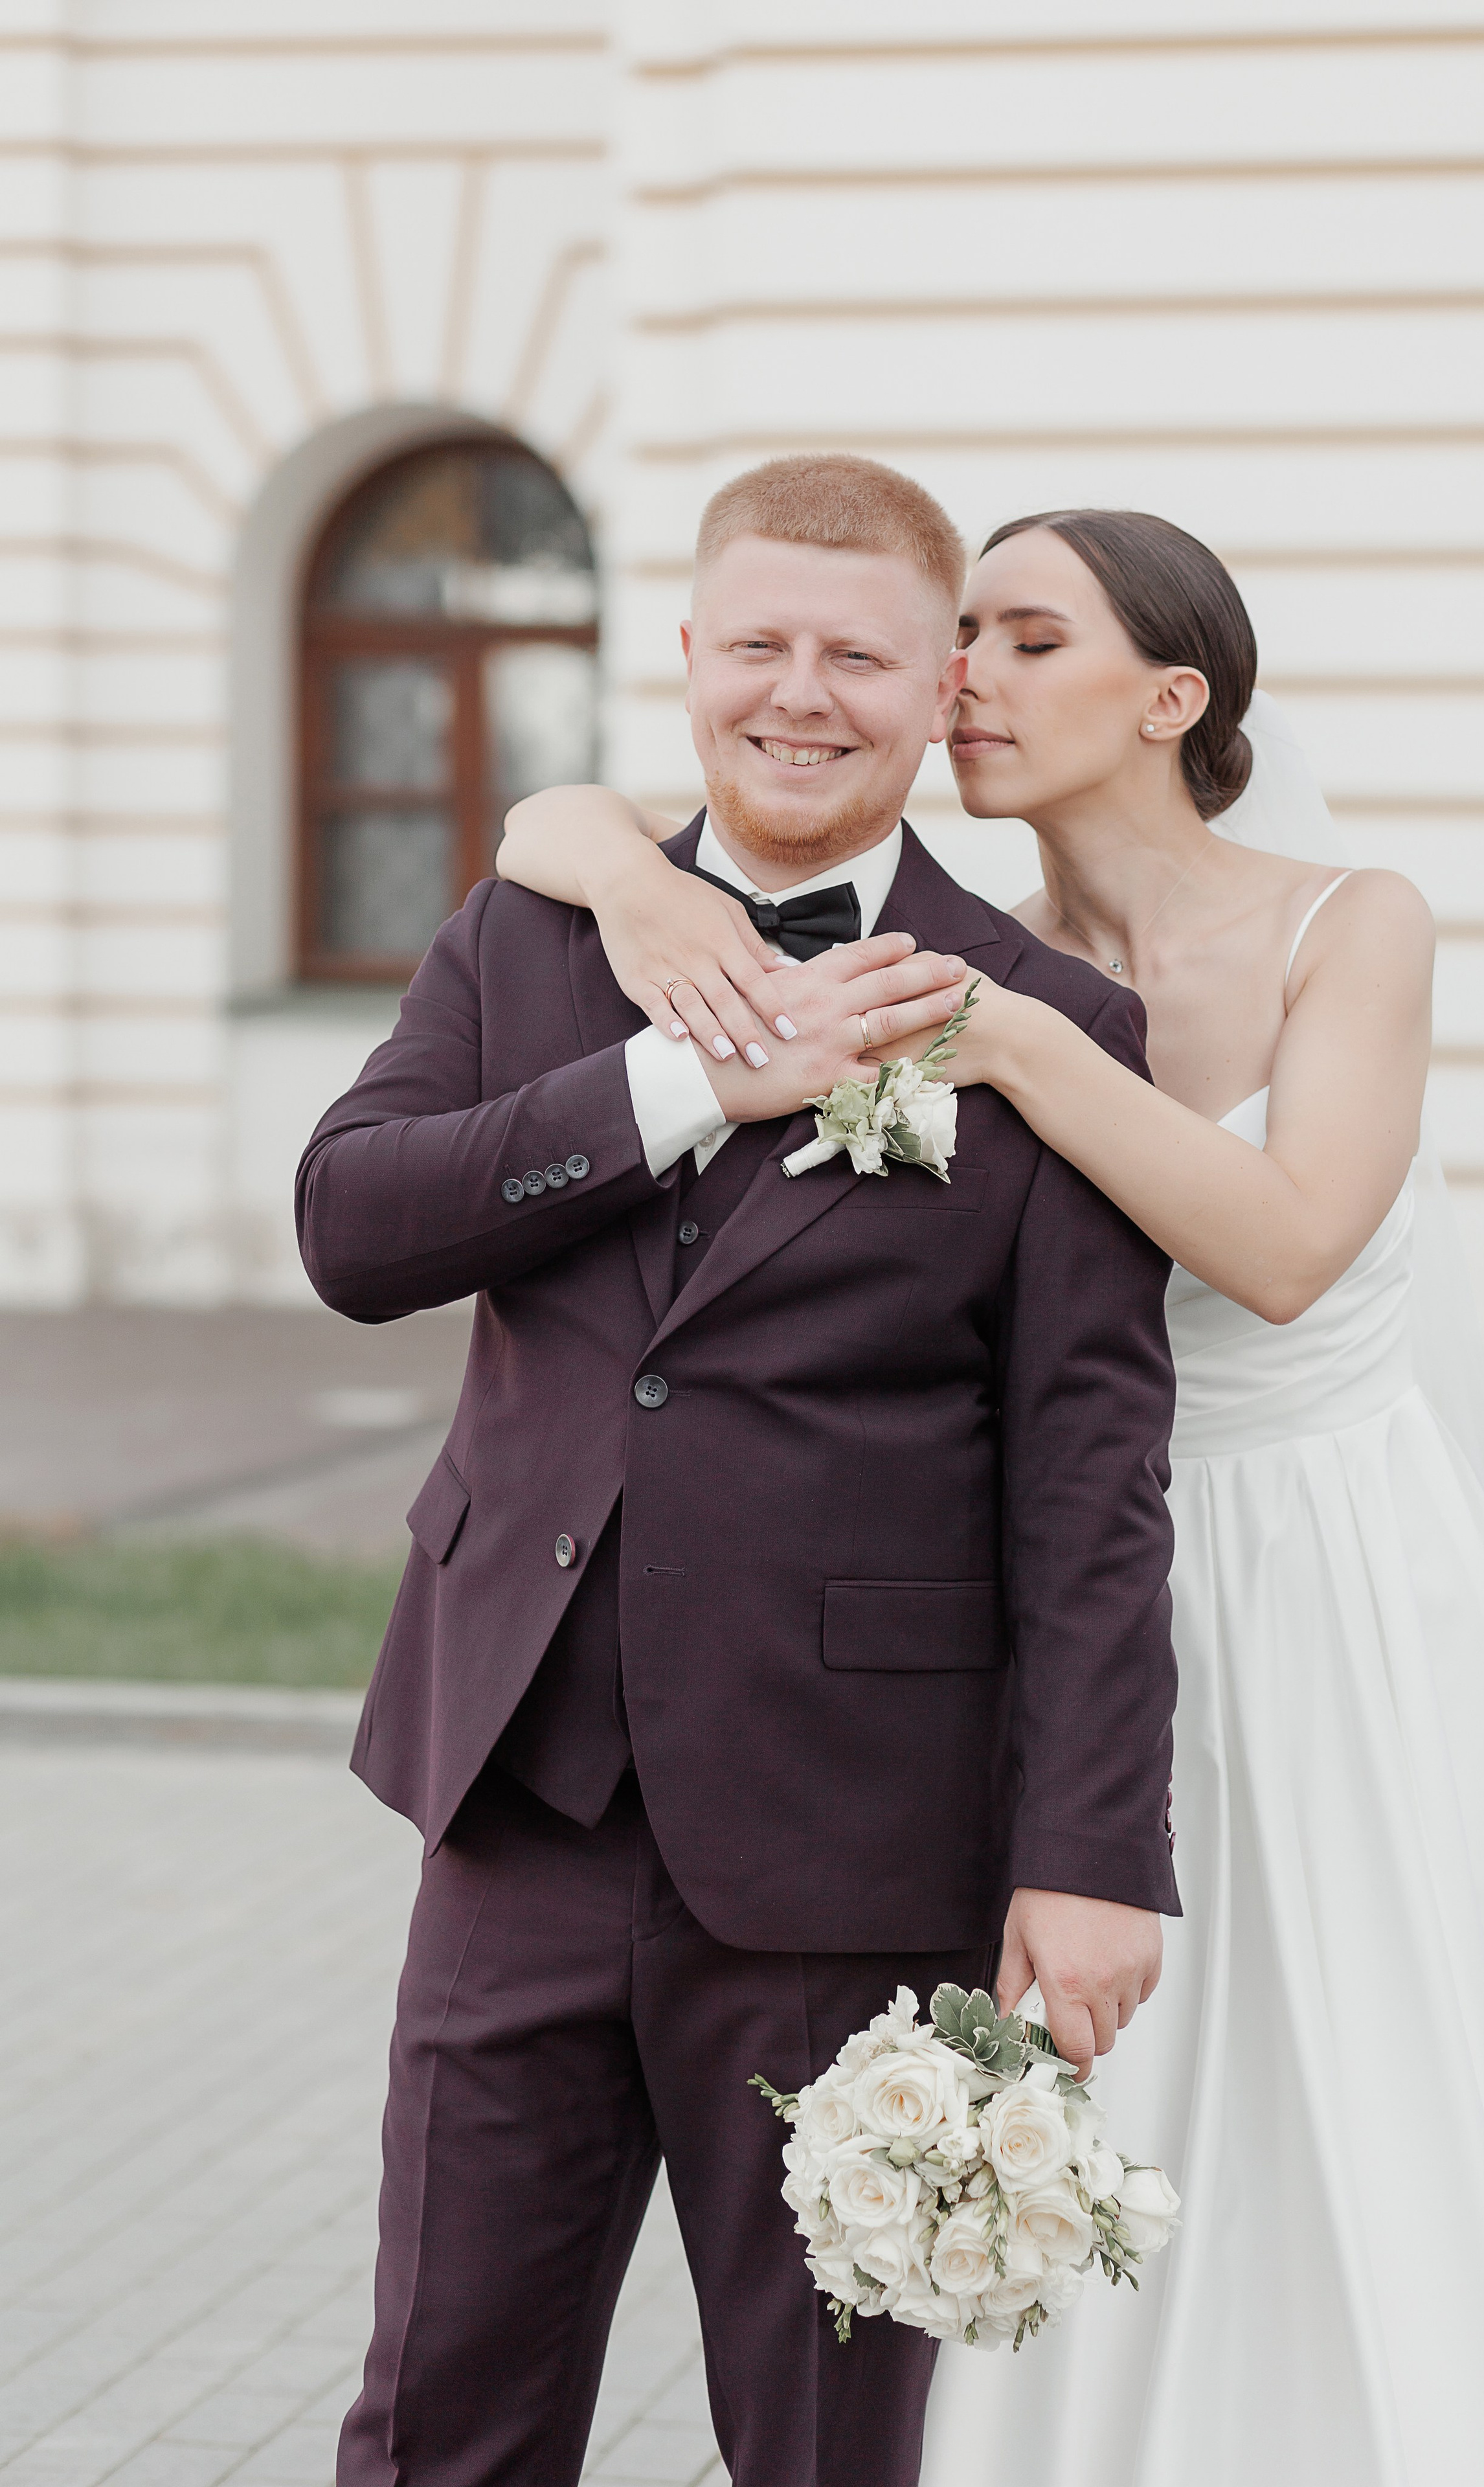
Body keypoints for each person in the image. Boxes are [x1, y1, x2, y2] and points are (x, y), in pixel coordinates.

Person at [497, 503, 1484, 2484]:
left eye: (1026, 641)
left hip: (1317, 1590)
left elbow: (1288, 1246)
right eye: (957, 638)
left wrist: (1022, 1048)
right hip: (1041, 1597)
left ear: (1173, 695)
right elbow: (551, 823)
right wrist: (627, 877)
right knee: (1075, 2110)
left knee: (1339, 2077)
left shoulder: (1342, 923)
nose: (964, 679)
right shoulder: (955, 933)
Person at [301, 455, 1184, 2487]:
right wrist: (691, 1077)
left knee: (823, 2443)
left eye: (857, 654)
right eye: (759, 644)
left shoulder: (1042, 1022)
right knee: (441, 2416)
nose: (803, 692)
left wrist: (1092, 1850)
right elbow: (352, 1230)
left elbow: (1088, 1483)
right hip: (513, 1797)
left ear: (936, 677)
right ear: (689, 657)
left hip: (851, 1845)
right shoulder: (534, 929)